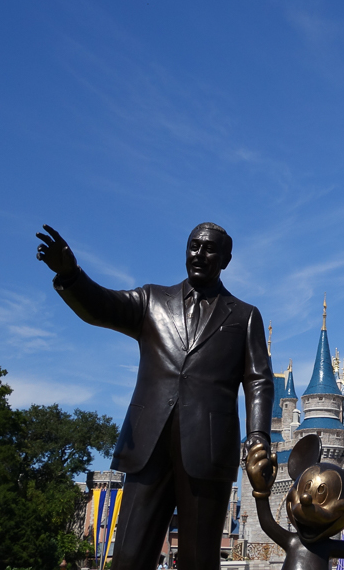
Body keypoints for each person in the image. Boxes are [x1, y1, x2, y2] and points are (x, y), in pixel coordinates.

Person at [36, 222, 274, 570]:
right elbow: (101, 306)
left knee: (198, 561)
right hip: (148, 447)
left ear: (226, 258)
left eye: (209, 249)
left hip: (207, 452)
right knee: (129, 557)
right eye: (194, 246)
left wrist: (257, 438)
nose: (199, 254)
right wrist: (71, 274)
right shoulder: (152, 301)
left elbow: (259, 381)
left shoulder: (244, 316)